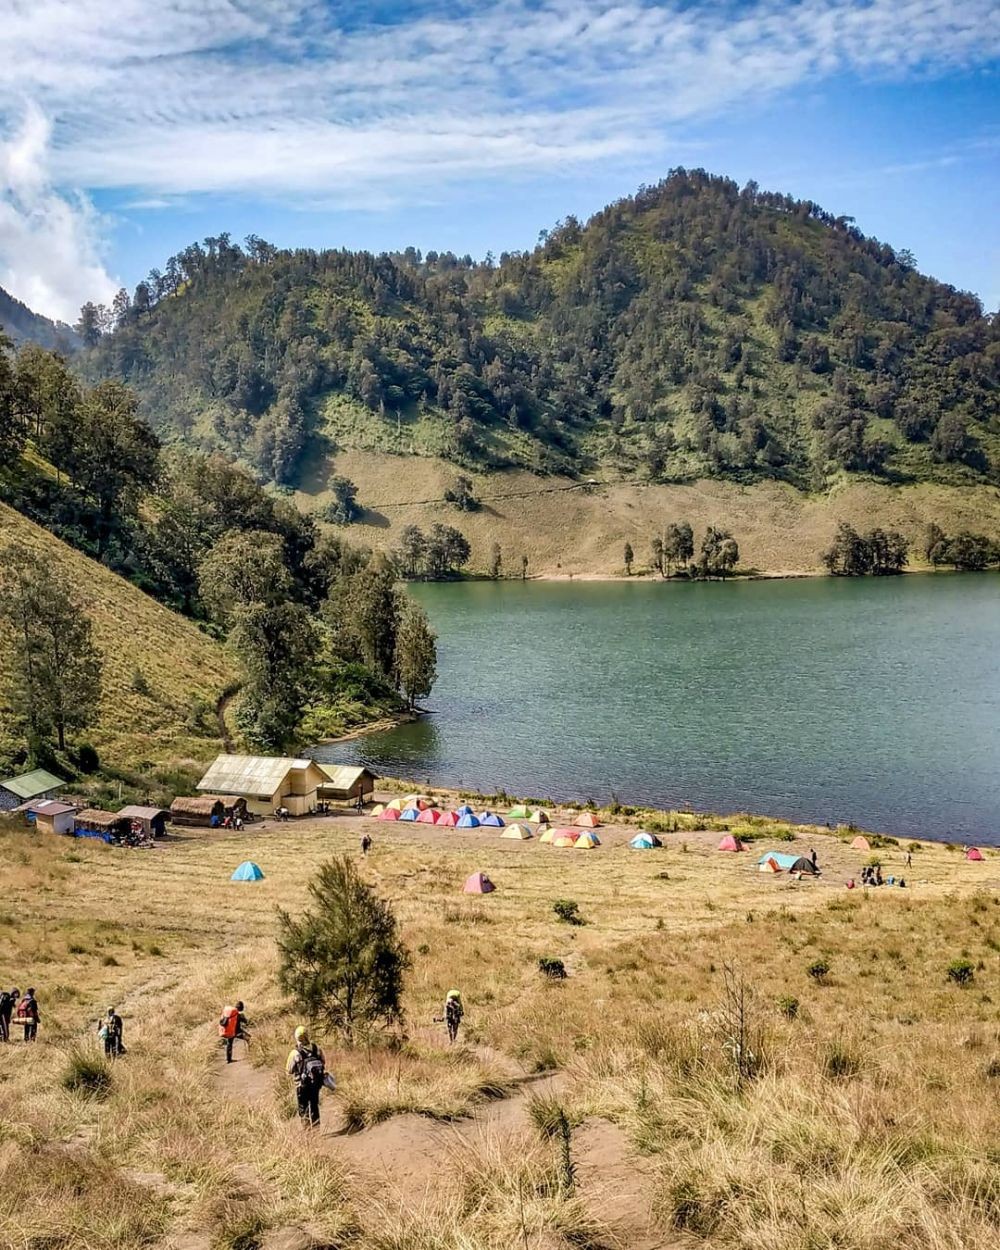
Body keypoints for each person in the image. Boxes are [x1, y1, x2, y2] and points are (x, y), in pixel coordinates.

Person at [286, 1025, 327, 1126]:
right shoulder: (316, 1048)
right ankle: (316, 1131)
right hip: (315, 1084)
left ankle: (308, 1134)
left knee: (303, 1109)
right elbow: (323, 1062)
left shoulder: (295, 1053)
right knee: (314, 1106)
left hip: (301, 1085)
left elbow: (289, 1070)